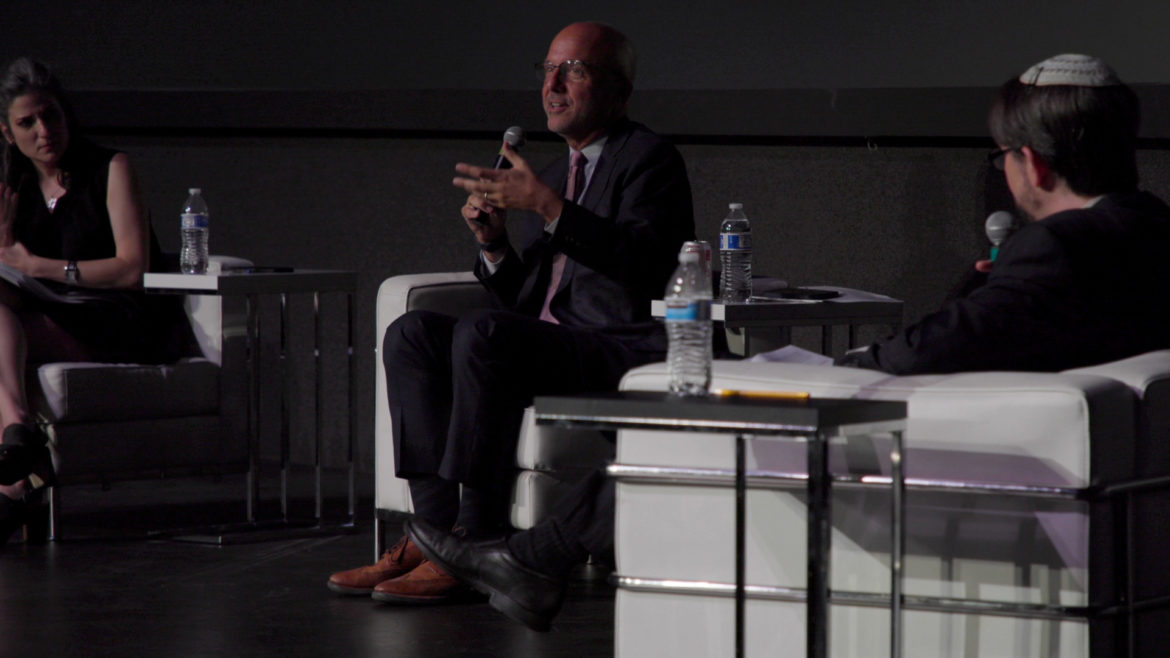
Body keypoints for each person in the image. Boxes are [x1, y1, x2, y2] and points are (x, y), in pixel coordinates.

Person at [401, 53, 1170, 631]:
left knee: (698, 403)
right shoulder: (1148, 231)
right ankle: (522, 556)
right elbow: (989, 330)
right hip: (1030, 446)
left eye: (1002, 159)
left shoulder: (1058, 248)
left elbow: (938, 347)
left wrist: (855, 362)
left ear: (1032, 163)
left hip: (936, 449)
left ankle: (533, 560)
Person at [327, 22, 694, 603]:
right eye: (548, 69)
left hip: (616, 345)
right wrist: (495, 245)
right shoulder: (550, 175)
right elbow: (529, 303)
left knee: (485, 332)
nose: (553, 85)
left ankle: (476, 542)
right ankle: (433, 535)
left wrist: (549, 208)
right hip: (551, 346)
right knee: (411, 333)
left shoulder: (650, 160)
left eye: (574, 70)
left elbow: (646, 265)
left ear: (619, 91)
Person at [0, 58, 193, 541]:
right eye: (27, 123)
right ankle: (17, 452)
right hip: (53, 309)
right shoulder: (16, 187)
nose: (44, 131)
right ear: (8, 134)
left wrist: (37, 267)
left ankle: (17, 473)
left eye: (51, 115)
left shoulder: (111, 168)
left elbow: (132, 269)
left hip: (119, 315)